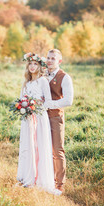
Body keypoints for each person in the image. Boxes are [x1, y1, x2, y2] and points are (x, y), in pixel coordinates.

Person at [17, 52, 62, 195]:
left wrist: (35, 107)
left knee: (40, 146)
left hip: (40, 117)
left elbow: (47, 102)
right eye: (30, 64)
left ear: (39, 66)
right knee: (28, 146)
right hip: (28, 118)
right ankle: (28, 177)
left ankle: (41, 179)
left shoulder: (43, 81)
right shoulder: (26, 83)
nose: (32, 66)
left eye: (35, 64)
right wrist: (25, 108)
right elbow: (21, 99)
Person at [43, 49, 74, 193]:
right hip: (41, 116)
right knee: (43, 148)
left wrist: (50, 104)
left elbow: (68, 101)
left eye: (53, 58)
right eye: (48, 58)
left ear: (59, 61)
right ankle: (45, 179)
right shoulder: (42, 75)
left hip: (55, 117)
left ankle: (59, 184)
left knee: (57, 150)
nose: (49, 60)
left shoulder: (65, 77)